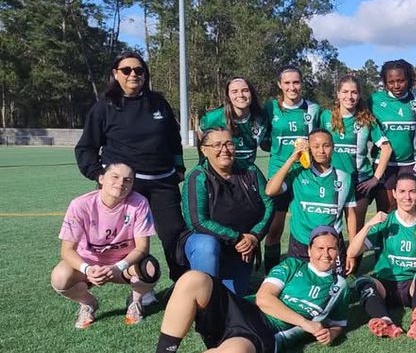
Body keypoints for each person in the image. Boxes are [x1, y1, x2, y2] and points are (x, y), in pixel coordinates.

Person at [110, 226, 349, 353]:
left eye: (331, 248)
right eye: (320, 248)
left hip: (265, 336)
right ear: (309, 249)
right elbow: (265, 299)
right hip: (244, 310)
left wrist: (331, 334)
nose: (325, 254)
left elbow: (339, 323)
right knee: (194, 279)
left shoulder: (340, 286)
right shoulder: (292, 265)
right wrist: (307, 325)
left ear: (338, 251)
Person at [75, 50, 187, 281]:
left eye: (139, 70)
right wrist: (99, 175)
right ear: (116, 74)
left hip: (162, 183)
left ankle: (183, 285)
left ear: (145, 75)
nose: (133, 74)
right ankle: (141, 292)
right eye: (126, 70)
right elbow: (85, 148)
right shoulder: (104, 107)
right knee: (127, 242)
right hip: (125, 188)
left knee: (174, 234)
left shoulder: (158, 103)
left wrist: (179, 167)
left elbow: (173, 139)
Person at [52, 163, 158, 328]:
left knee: (150, 268)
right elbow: (66, 251)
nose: (121, 183)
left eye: (127, 180)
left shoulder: (139, 203)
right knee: (60, 277)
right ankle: (88, 303)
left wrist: (117, 267)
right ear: (101, 179)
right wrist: (87, 269)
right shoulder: (80, 205)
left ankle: (135, 301)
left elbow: (142, 248)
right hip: (89, 266)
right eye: (115, 177)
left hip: (123, 266)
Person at [181, 128, 273, 296]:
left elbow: (268, 204)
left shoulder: (250, 170)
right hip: (211, 244)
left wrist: (253, 236)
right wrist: (237, 237)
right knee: (206, 246)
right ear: (204, 149)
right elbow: (197, 221)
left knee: (233, 299)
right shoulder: (197, 177)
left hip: (242, 248)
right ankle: (202, 299)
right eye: (217, 145)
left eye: (229, 143)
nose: (224, 149)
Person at [347, 172, 416, 340]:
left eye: (412, 191)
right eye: (402, 192)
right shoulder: (385, 222)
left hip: (412, 287)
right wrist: (368, 225)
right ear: (394, 193)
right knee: (362, 282)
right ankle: (385, 321)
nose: (407, 197)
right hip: (386, 286)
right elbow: (352, 252)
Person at [265, 129, 357, 270]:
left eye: (326, 146)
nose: (321, 151)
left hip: (331, 243)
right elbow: (270, 190)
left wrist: (351, 252)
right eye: (316, 146)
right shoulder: (297, 173)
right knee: (298, 288)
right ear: (309, 148)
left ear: (333, 147)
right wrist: (291, 159)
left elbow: (350, 215)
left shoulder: (344, 177)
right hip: (300, 242)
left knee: (334, 289)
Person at [261, 65, 321, 272]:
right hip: (280, 174)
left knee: (307, 226)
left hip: (305, 174)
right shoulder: (271, 108)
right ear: (280, 85)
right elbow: (263, 138)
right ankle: (270, 273)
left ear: (302, 83)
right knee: (275, 228)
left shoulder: (313, 109)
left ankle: (309, 270)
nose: (292, 87)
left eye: (296, 82)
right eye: (287, 83)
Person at [318, 73, 392, 235]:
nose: (349, 96)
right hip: (332, 180)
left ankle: (353, 261)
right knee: (328, 229)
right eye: (345, 92)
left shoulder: (366, 119)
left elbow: (386, 148)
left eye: (354, 92)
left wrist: (375, 178)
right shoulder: (325, 116)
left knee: (356, 231)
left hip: (359, 182)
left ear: (359, 95)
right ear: (337, 93)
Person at [369, 59, 416, 212]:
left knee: (410, 208)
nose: (396, 86)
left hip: (410, 162)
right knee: (386, 208)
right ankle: (385, 237)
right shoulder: (374, 100)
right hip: (384, 164)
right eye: (391, 81)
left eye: (400, 81)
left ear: (408, 80)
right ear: (385, 82)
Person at [197, 77, 265, 165]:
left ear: (251, 93)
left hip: (247, 171)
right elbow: (200, 134)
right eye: (234, 92)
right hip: (220, 171)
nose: (240, 95)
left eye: (245, 90)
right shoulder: (213, 118)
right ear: (228, 96)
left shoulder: (261, 117)